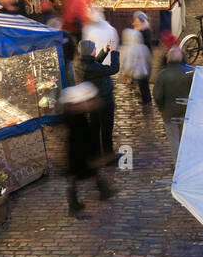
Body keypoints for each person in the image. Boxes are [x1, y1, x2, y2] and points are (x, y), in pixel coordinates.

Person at [61, 82, 112, 214]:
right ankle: (74, 204)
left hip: (78, 150)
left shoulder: (74, 114)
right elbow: (82, 138)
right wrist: (94, 157)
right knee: (78, 173)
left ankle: (102, 191)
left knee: (79, 173)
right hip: (80, 151)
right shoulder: (77, 119)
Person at [78, 39, 120, 162]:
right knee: (106, 129)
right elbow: (114, 69)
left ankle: (95, 154)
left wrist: (104, 51)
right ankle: (108, 157)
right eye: (95, 49)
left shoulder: (83, 63)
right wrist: (114, 51)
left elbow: (95, 63)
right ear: (91, 52)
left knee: (95, 128)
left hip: (92, 101)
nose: (96, 50)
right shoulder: (92, 68)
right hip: (104, 101)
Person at [153, 45, 194, 156]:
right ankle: (185, 161)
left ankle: (177, 164)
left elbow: (157, 95)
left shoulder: (163, 74)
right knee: (184, 138)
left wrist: (162, 108)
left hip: (169, 113)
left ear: (168, 59)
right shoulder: (191, 72)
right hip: (187, 111)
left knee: (173, 139)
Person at [120, 25, 152, 105]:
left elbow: (129, 62)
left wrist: (126, 73)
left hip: (138, 72)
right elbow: (148, 59)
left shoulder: (132, 49)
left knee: (142, 87)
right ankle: (148, 100)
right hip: (145, 71)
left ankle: (146, 101)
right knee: (145, 86)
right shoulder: (144, 47)